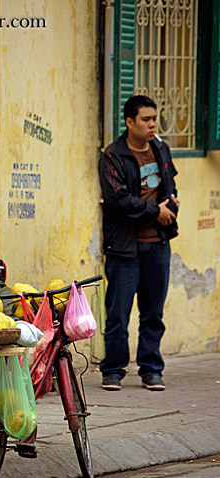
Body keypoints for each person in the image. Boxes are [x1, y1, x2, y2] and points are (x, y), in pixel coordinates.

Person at [99, 95, 179, 391]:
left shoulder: (160, 148)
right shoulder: (113, 155)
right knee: (118, 314)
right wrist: (154, 211)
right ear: (129, 122)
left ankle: (151, 369)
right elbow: (117, 199)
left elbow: (169, 185)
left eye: (154, 119)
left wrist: (171, 204)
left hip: (158, 243)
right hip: (124, 247)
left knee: (153, 312)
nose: (152, 125)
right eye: (146, 120)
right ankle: (113, 370)